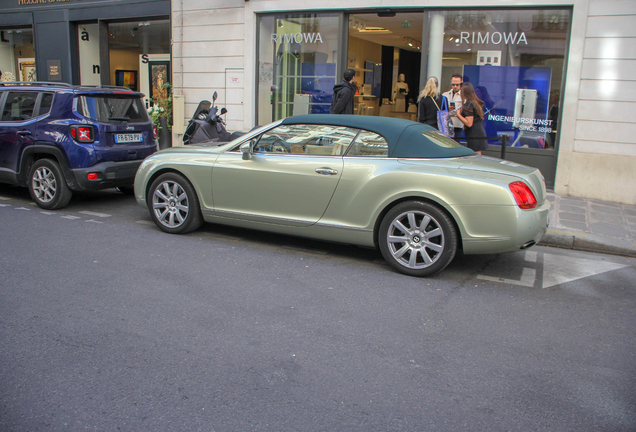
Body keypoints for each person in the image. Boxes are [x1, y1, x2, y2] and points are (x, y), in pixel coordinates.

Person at [455, 82, 488, 154]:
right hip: (478, 132)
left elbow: (469, 123)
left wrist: (458, 115)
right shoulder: (475, 102)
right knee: (477, 155)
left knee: (475, 156)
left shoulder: (469, 104)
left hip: (474, 134)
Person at [442, 74, 464, 142]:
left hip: (458, 124)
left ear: (461, 84)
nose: (455, 86)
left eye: (457, 85)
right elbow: (440, 109)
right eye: (453, 84)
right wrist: (447, 108)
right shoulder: (445, 94)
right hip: (447, 124)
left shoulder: (464, 95)